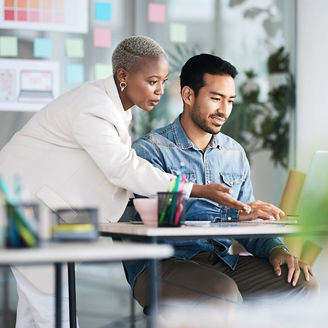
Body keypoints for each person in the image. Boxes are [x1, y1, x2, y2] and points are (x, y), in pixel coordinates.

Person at [0, 37, 249, 327]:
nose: (159, 91)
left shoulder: (115, 107)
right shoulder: (95, 107)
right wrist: (196, 189)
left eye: (163, 81)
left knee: (38, 310)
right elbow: (121, 167)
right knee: (54, 309)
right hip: (23, 209)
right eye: (152, 81)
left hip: (39, 208)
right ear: (123, 76)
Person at [124, 54, 318, 309]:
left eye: (230, 101)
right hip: (161, 264)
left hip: (221, 263)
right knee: (222, 292)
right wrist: (232, 216)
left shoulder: (234, 153)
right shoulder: (151, 150)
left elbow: (249, 221)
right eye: (215, 98)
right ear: (188, 95)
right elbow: (162, 222)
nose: (224, 110)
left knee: (302, 283)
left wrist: (277, 250)